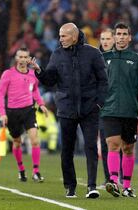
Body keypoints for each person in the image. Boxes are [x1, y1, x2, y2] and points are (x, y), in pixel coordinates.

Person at [31, 23, 108, 198]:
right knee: (67, 150)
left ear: (74, 36)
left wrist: (99, 104)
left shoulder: (93, 53)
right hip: (66, 108)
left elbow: (104, 80)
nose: (60, 39)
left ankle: (91, 186)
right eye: (59, 36)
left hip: (90, 108)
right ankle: (70, 186)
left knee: (90, 147)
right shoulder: (57, 54)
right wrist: (39, 72)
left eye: (64, 36)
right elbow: (50, 80)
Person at [101, 22, 138, 198]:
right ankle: (114, 181)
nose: (121, 37)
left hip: (130, 110)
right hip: (109, 110)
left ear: (129, 37)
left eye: (124, 34)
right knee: (113, 144)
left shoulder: (137, 60)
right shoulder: (104, 58)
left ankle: (127, 186)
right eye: (118, 34)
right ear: (114, 37)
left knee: (128, 148)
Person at [0, 48, 48, 183]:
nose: (23, 60)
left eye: (26, 57)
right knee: (17, 142)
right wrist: (2, 113)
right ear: (16, 58)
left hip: (29, 111)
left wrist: (41, 104)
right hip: (12, 112)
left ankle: (36, 171)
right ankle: (21, 169)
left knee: (35, 140)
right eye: (21, 57)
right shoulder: (8, 74)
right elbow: (0, 94)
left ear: (29, 59)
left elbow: (35, 90)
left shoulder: (32, 74)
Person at [98, 28, 115, 186]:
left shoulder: (120, 58)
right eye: (102, 39)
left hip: (118, 105)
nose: (105, 42)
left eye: (108, 39)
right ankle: (108, 177)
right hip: (102, 107)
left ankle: (119, 177)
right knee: (105, 143)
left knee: (120, 143)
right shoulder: (97, 58)